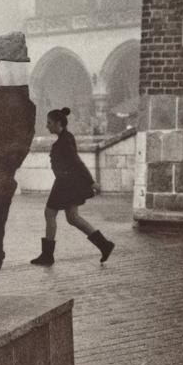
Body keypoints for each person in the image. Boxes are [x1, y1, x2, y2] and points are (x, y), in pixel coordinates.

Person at [30, 106, 115, 266]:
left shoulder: (64, 141)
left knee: (50, 214)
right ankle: (104, 245)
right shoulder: (65, 138)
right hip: (69, 183)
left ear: (58, 123)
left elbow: (77, 162)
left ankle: (47, 256)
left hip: (65, 184)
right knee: (73, 218)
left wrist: (91, 182)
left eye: (49, 123)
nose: (47, 126)